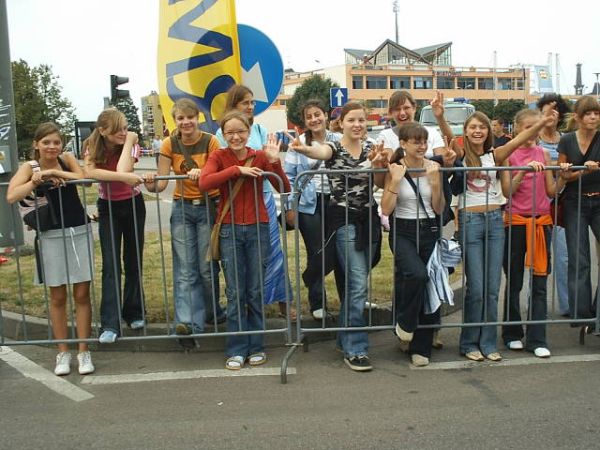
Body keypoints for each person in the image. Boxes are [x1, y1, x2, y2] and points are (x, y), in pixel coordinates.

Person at [457, 108, 557, 363]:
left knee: (492, 289)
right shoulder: (460, 154)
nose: (478, 131)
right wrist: (438, 117)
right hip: (471, 220)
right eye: (473, 127)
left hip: (495, 221)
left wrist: (542, 123)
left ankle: (488, 343)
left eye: (483, 127)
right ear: (466, 132)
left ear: (489, 132)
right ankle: (469, 342)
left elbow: (519, 140)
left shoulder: (497, 155)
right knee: (476, 289)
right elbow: (448, 135)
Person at [289, 102, 382, 372]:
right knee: (357, 285)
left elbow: (380, 182)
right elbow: (321, 150)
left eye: (361, 120)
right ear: (341, 123)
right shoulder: (335, 147)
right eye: (351, 119)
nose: (357, 124)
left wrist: (380, 165)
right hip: (343, 221)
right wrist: (306, 149)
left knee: (358, 282)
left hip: (370, 221)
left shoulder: (371, 147)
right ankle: (356, 349)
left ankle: (344, 337)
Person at [199, 111, 290, 370]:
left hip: (257, 229)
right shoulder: (219, 156)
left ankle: (257, 346)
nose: (236, 136)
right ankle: (237, 348)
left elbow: (284, 188)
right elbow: (206, 182)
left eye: (241, 131)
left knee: (254, 290)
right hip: (229, 230)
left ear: (249, 131)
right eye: (230, 132)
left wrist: (275, 162)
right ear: (223, 134)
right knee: (235, 291)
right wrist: (235, 170)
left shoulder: (259, 155)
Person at [7, 122, 95, 375]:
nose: (52, 147)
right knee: (57, 296)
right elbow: (12, 196)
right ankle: (62, 353)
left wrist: (57, 175)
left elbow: (85, 179)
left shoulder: (67, 159)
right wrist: (37, 180)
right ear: (36, 144)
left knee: (82, 294)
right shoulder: (29, 167)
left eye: (56, 142)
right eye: (46, 142)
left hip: (78, 229)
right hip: (50, 234)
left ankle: (83, 351)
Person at [144, 98, 225, 339]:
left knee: (206, 268)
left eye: (190, 117)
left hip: (208, 206)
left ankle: (212, 312)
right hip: (182, 208)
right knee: (186, 270)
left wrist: (204, 174)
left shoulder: (211, 141)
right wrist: (151, 184)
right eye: (181, 118)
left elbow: (216, 174)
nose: (186, 122)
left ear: (198, 118)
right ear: (175, 120)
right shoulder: (169, 143)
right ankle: (188, 324)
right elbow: (161, 183)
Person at [216, 84, 295, 320]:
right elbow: (224, 164)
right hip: (238, 201)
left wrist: (273, 161)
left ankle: (283, 300)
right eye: (245, 103)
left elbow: (273, 169)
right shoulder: (224, 133)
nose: (250, 107)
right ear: (234, 105)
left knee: (273, 254)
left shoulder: (259, 128)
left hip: (264, 199)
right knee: (246, 261)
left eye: (252, 102)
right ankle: (251, 308)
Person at [379, 123, 449, 367]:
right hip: (403, 230)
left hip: (428, 230)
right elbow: (386, 209)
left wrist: (436, 183)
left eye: (424, 141)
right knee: (417, 275)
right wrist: (395, 182)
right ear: (403, 144)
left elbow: (439, 208)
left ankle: (421, 347)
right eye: (416, 141)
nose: (421, 146)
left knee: (429, 284)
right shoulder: (396, 168)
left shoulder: (433, 167)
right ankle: (406, 322)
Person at [500, 108, 567, 358]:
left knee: (540, 281)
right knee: (515, 279)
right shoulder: (510, 154)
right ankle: (511, 332)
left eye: (536, 127)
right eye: (527, 127)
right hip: (516, 222)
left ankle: (537, 337)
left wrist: (564, 178)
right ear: (517, 128)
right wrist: (523, 171)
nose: (532, 133)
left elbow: (551, 191)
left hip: (541, 223)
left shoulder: (544, 153)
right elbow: (508, 191)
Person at [83, 108, 149, 344]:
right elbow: (90, 173)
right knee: (110, 265)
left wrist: (130, 139)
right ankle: (110, 323)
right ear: (102, 130)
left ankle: (134, 312)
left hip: (132, 204)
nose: (123, 132)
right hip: (108, 206)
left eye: (125, 127)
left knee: (133, 260)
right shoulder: (92, 145)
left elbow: (123, 169)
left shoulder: (130, 144)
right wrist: (120, 177)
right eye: (118, 129)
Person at [284, 99, 342, 321]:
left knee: (337, 251)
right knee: (316, 251)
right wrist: (290, 207)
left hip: (337, 201)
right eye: (309, 117)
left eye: (317, 114)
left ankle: (312, 279)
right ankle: (317, 302)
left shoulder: (338, 139)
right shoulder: (298, 143)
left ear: (326, 115)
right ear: (305, 121)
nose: (314, 119)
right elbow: (288, 177)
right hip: (309, 204)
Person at [557, 96, 600, 332]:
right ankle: (582, 316)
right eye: (588, 113)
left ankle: (598, 313)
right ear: (578, 117)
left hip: (599, 200)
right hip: (575, 202)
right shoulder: (566, 141)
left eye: (596, 113)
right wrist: (581, 171)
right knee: (579, 259)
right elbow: (564, 177)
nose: (593, 117)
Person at [537, 93, 571, 316]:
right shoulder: (532, 138)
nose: (551, 114)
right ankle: (536, 306)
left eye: (555, 110)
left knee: (563, 256)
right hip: (536, 204)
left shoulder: (567, 140)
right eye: (546, 110)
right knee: (538, 258)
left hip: (561, 203)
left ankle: (568, 305)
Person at [377, 90, 445, 159]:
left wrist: (440, 117)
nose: (402, 113)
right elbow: (389, 164)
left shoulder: (432, 133)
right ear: (391, 112)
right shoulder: (385, 136)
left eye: (406, 108)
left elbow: (442, 161)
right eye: (397, 109)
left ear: (414, 108)